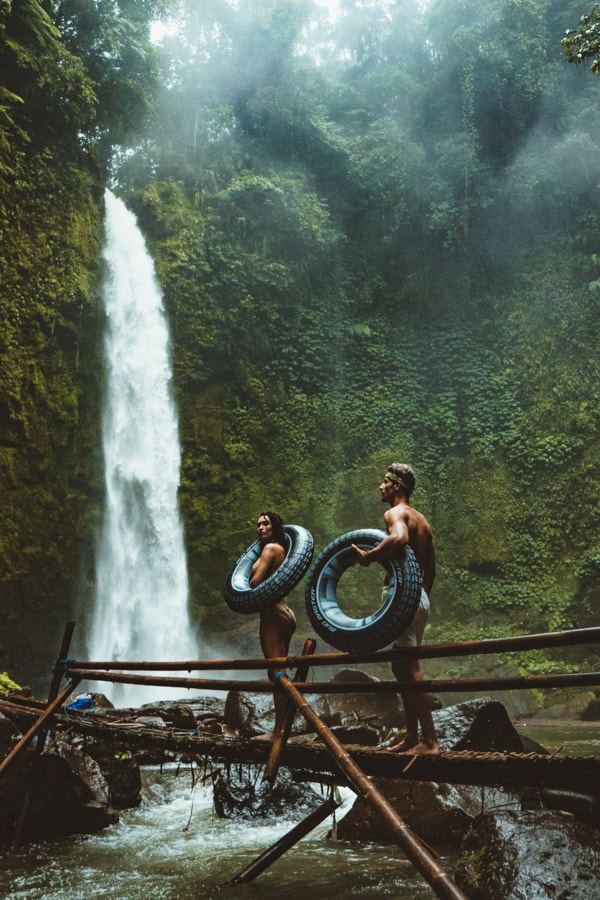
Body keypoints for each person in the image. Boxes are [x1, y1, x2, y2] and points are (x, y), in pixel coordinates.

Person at [352, 463, 441, 756]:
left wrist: (369, 556)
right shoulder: (423, 522)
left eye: (384, 482)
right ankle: (413, 737)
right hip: (419, 597)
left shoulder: (395, 513)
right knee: (400, 664)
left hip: (405, 596)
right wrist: (419, 595)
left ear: (396, 487)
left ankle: (430, 742)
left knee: (409, 667)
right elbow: (431, 568)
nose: (380, 486)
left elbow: (400, 538)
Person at [249, 511, 296, 741]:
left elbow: (256, 582)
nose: (260, 528)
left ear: (275, 528)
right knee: (280, 671)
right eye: (258, 524)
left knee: (277, 672)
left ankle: (279, 731)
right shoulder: (280, 550)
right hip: (285, 612)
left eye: (265, 524)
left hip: (272, 615)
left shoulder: (269, 550)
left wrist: (251, 577)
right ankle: (284, 726)